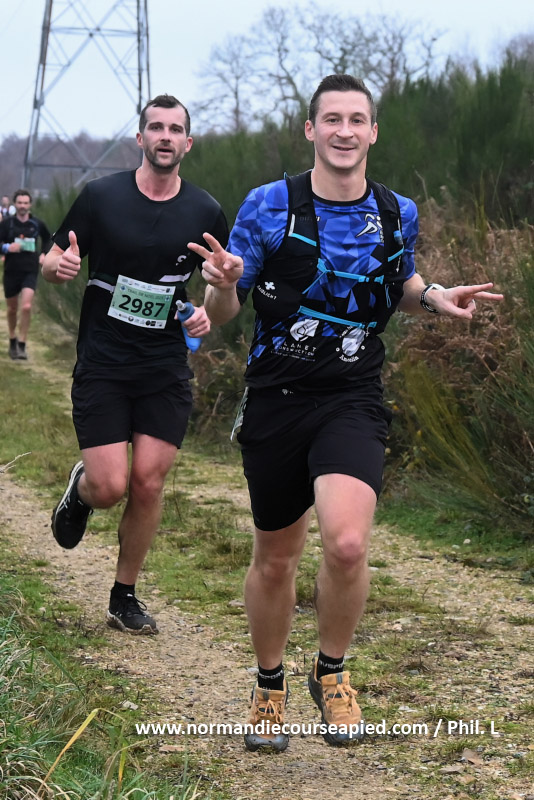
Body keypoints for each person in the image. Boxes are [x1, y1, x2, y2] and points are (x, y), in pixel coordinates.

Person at [189, 74, 503, 751]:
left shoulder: (396, 211)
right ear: (310, 129)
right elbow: (226, 311)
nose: (344, 131)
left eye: (357, 119)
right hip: (277, 396)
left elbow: (400, 281)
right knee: (277, 558)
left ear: (373, 132)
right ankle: (268, 685)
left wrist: (434, 297)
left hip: (352, 396)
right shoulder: (269, 205)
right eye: (331, 118)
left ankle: (330, 672)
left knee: (348, 543)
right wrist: (221, 287)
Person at [42, 94, 228, 635]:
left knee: (147, 482)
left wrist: (210, 309)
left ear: (188, 142)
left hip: (163, 364)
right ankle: (82, 490)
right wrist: (59, 267)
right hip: (103, 360)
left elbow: (222, 293)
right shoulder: (101, 197)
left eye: (175, 129)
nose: (166, 136)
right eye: (156, 127)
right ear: (140, 138)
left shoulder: (206, 211)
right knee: (110, 487)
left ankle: (124, 595)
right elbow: (52, 258)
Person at [0, 189, 51, 359]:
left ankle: (22, 344)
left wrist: (44, 254)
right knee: (12, 309)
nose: (22, 206)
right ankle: (12, 339)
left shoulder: (37, 223)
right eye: (20, 203)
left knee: (26, 306)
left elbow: (48, 239)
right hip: (11, 270)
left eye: (25, 203)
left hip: (30, 269)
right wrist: (7, 247)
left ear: (30, 204)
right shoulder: (7, 224)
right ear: (15, 204)